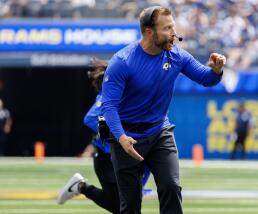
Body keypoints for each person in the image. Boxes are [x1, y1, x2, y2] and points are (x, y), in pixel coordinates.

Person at [101, 6, 226, 214]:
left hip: (159, 132)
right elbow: (109, 106)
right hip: (126, 139)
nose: (174, 34)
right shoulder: (122, 62)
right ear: (150, 32)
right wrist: (121, 138)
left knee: (171, 187)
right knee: (130, 204)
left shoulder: (177, 55)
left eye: (174, 27)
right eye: (167, 28)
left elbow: (206, 78)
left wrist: (217, 70)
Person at [56, 58, 151, 213]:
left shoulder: (134, 97)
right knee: (123, 205)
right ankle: (82, 187)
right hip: (107, 158)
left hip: (128, 156)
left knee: (126, 203)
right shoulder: (107, 96)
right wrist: (116, 136)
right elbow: (90, 119)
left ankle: (81, 187)